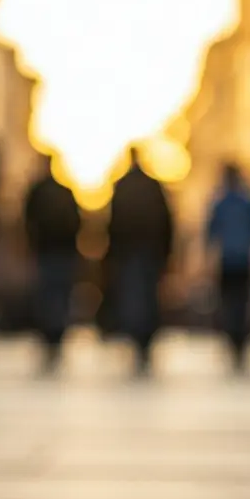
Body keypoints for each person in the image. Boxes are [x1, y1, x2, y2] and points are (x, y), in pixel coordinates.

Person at [105, 147, 174, 377]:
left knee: (133, 297)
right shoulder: (152, 186)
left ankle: (137, 337)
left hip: (130, 251)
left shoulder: (123, 186)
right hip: (148, 251)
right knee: (146, 297)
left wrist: (111, 253)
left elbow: (113, 222)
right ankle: (143, 338)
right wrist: (166, 253)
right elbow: (166, 221)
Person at [205, 163, 250, 375]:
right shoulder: (248, 201)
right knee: (242, 304)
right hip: (243, 261)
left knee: (229, 304)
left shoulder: (221, 202)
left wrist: (208, 253)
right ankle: (239, 341)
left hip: (228, 261)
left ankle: (233, 339)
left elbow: (211, 231)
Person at [21, 154, 83, 375]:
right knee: (55, 294)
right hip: (58, 251)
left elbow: (28, 221)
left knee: (50, 294)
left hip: (50, 251)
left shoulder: (40, 191)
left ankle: (51, 333)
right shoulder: (62, 192)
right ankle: (54, 333)